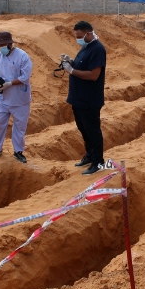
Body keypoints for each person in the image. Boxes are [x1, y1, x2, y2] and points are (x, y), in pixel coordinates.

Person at [60, 21, 107, 175]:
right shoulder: (85, 48)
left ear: (88, 34)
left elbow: (93, 75)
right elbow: (82, 66)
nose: (78, 40)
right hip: (78, 98)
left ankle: (98, 162)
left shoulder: (97, 49)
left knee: (92, 131)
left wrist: (71, 70)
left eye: (79, 36)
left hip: (89, 100)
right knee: (83, 129)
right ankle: (90, 155)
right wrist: (70, 62)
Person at [0, 31, 33, 163]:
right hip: (3, 99)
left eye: (3, 44)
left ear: (10, 44)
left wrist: (9, 84)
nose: (1, 47)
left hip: (20, 99)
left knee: (19, 127)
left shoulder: (23, 57)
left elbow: (25, 77)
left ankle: (18, 151)